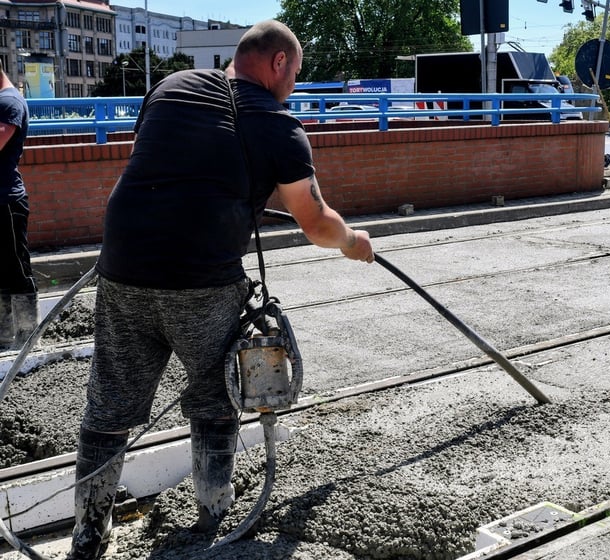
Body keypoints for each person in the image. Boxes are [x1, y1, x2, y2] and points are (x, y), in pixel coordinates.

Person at [67, 20, 375, 559]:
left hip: (122, 266)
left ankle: (89, 534)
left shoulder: (171, 87)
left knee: (109, 405)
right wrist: (352, 241)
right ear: (278, 63)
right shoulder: (278, 125)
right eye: (296, 74)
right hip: (201, 283)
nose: (295, 87)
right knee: (214, 399)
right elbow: (316, 221)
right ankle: (213, 518)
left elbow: (175, 167)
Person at [0, 59, 39, 352]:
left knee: (16, 270)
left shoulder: (10, 102)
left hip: (7, 202)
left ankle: (27, 338)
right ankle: (3, 338)